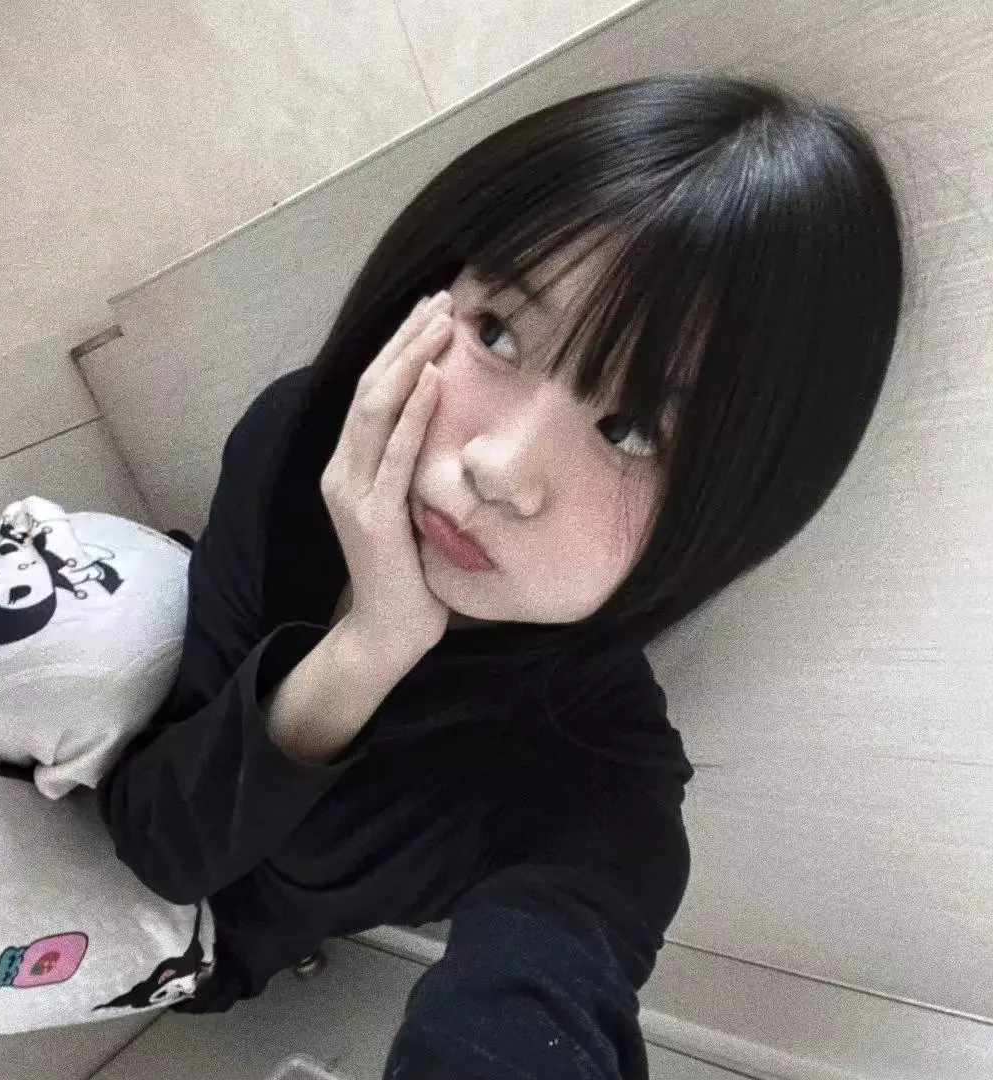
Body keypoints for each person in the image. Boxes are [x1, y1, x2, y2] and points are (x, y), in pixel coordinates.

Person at [94, 72, 908, 1078]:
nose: (499, 467)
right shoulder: (300, 442)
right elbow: (157, 833)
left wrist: (376, 645)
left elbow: (541, 998)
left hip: (199, 968)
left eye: (631, 430)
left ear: (726, 510)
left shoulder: (596, 783)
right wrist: (363, 644)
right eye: (497, 332)